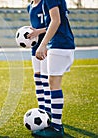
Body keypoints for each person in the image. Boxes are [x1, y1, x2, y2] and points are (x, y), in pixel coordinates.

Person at [34, 0, 75, 137]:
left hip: (60, 43)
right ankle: (52, 121)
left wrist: (42, 44)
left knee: (54, 83)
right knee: (50, 82)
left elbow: (55, 20)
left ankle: (57, 128)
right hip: (59, 43)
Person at [27, 0, 51, 114]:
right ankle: (41, 108)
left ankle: (49, 110)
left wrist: (38, 32)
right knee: (37, 77)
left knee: (45, 78)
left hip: (45, 46)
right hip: (35, 47)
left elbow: (52, 25)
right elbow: (34, 28)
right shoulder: (29, 6)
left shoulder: (45, 4)